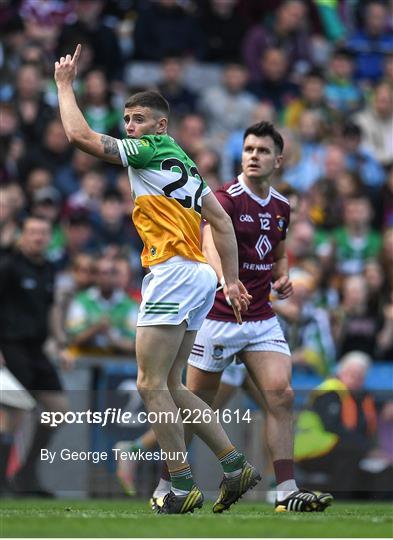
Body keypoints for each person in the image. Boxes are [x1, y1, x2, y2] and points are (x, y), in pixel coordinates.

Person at [54, 45, 258, 515]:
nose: (130, 128)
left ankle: (181, 485)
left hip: (171, 272)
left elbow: (79, 136)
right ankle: (234, 465)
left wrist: (65, 85)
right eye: (126, 120)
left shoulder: (147, 151)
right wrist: (229, 280)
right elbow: (222, 224)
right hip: (199, 277)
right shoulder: (185, 163)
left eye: (139, 119)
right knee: (174, 384)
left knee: (149, 384)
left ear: (160, 125)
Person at [124, 122, 333, 513]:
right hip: (219, 317)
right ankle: (168, 483)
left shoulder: (282, 206)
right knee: (194, 400)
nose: (253, 156)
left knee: (282, 395)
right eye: (248, 149)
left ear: (278, 160)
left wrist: (283, 274)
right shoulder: (227, 197)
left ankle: (286, 492)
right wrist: (227, 281)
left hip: (260, 317)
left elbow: (279, 251)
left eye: (262, 150)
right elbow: (210, 241)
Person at [0, 216, 68, 496]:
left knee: (59, 411)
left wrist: (60, 342)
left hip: (37, 350)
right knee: (14, 413)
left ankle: (26, 475)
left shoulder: (49, 268)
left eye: (43, 232)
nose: (38, 237)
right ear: (22, 235)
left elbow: (51, 307)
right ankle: (3, 479)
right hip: (10, 346)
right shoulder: (8, 266)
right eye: (33, 232)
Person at [295, 351, 393, 499]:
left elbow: (367, 418)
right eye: (352, 373)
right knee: (351, 450)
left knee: (367, 460)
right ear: (341, 372)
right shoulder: (329, 392)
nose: (356, 378)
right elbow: (333, 427)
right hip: (312, 450)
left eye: (360, 375)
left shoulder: (361, 396)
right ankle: (341, 498)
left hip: (335, 449)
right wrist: (367, 448)